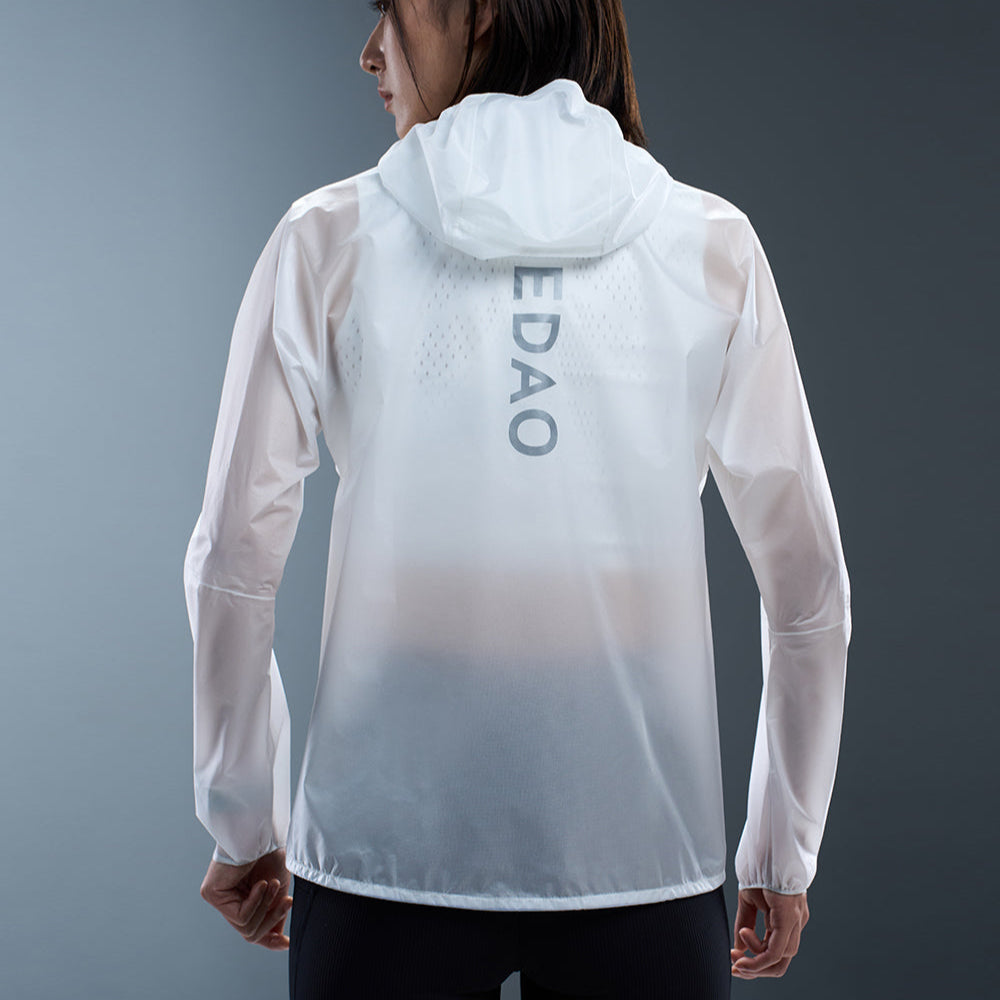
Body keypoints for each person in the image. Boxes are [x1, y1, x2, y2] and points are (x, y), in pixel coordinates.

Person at [184, 1, 852, 997]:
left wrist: (243, 819)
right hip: (640, 855)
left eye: (392, 9)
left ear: (486, 12)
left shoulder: (328, 236)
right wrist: (779, 847)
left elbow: (235, 559)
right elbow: (809, 586)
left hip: (382, 860)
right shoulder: (708, 244)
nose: (368, 51)